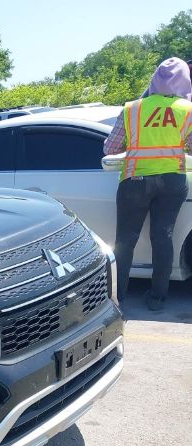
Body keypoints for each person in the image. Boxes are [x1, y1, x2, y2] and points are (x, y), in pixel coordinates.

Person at [104, 57, 192, 311]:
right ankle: (157, 298)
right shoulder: (187, 111)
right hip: (173, 181)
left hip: (136, 180)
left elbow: (110, 147)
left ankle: (118, 297)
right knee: (163, 237)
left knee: (126, 241)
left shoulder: (132, 109)